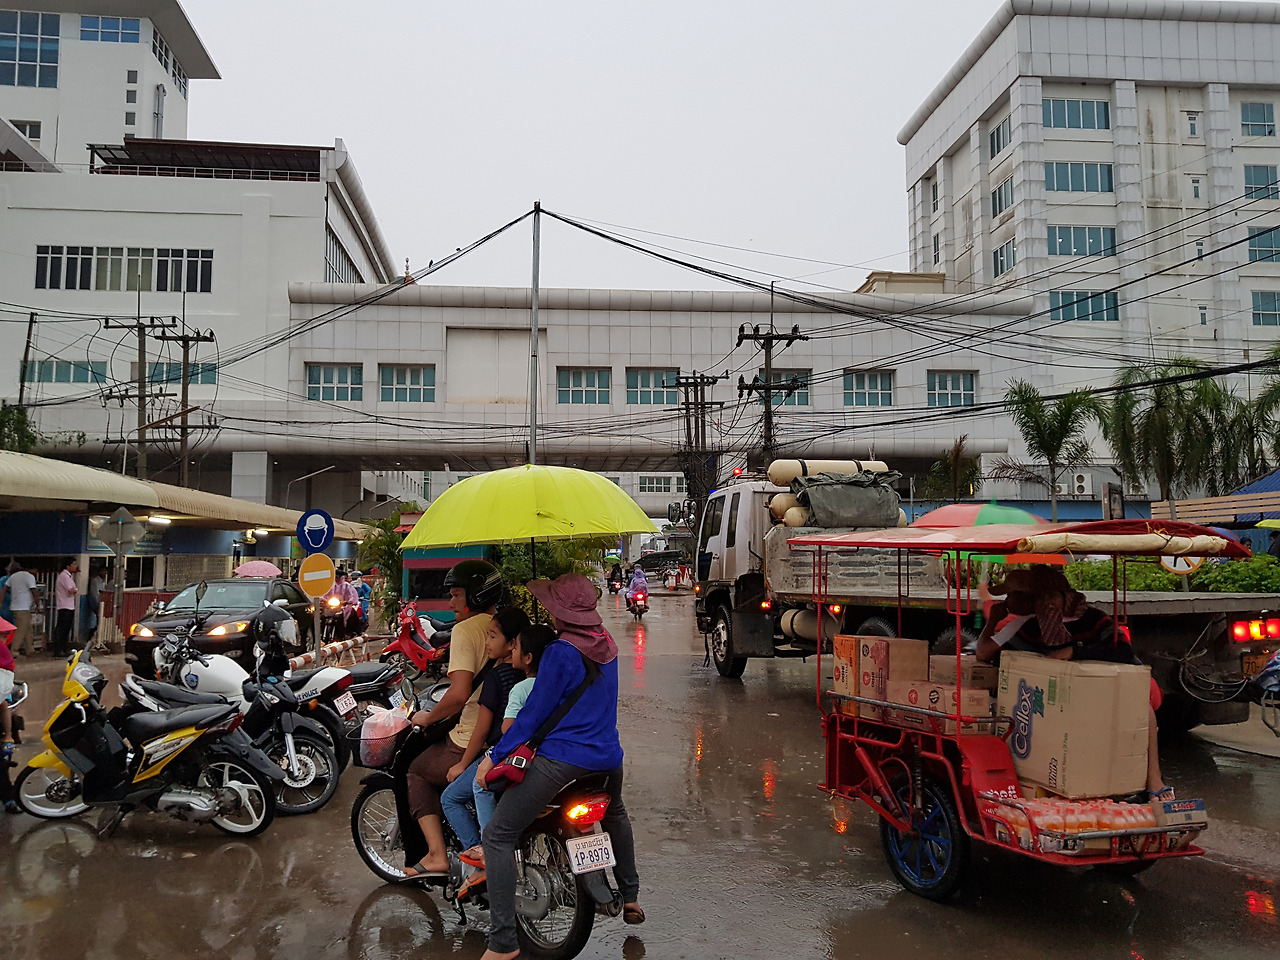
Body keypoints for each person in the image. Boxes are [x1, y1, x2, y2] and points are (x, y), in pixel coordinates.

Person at [474, 574, 642, 960]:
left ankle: (502, 944)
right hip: (608, 759)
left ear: (561, 612)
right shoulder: (608, 643)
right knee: (615, 813)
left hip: (563, 762)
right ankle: (630, 895)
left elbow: (532, 716)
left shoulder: (560, 652)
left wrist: (493, 757)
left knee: (498, 835)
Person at [975, 565, 1173, 800]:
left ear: (1037, 598)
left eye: (1012, 595)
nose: (1007, 602)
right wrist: (993, 621)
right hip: (1065, 703)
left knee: (1143, 707)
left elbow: (1123, 652)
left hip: (1108, 694)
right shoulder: (1026, 627)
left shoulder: (1095, 618)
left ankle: (1154, 778)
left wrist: (1075, 652)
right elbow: (987, 654)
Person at [403, 559, 509, 879]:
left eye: (456, 595)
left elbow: (460, 693)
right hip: (505, 732)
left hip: (473, 735)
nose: (450, 603)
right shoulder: (506, 624)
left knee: (416, 771)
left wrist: (427, 717)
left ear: (476, 596)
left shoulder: (466, 630)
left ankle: (437, 854)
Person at [439, 606, 530, 891]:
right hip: (531, 752)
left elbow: (481, 729)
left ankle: (483, 857)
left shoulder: (496, 677)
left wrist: (461, 764)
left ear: (512, 643)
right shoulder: (531, 675)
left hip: (501, 752)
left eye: (492, 636)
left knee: (451, 798)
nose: (487, 642)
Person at [0, 561, 38, 657]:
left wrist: (0, 602)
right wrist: (38, 604)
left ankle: (30, 649)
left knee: (28, 629)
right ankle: (14, 651)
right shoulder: (29, 576)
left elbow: (4, 589)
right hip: (23, 607)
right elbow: (34, 591)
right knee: (20, 630)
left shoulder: (13, 577)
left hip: (15, 606)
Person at [321, 570, 362, 639]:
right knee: (321, 616)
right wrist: (322, 598)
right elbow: (325, 593)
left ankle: (348, 632)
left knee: (351, 615)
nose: (336, 579)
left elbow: (352, 595)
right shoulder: (330, 586)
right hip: (332, 607)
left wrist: (350, 601)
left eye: (338, 577)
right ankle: (321, 633)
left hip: (344, 606)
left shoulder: (347, 586)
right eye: (335, 577)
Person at [53, 558, 78, 658]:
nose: (76, 566)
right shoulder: (65, 577)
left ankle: (63, 648)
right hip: (66, 606)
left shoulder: (67, 576)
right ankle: (59, 649)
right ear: (68, 566)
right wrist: (76, 590)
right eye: (74, 564)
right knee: (63, 629)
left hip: (67, 605)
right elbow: (71, 590)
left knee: (65, 629)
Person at [82, 565, 105, 648]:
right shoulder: (95, 581)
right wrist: (98, 603)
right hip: (96, 603)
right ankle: (92, 635)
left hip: (101, 603)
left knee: (100, 621)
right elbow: (94, 593)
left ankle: (95, 635)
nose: (104, 573)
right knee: (99, 620)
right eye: (103, 571)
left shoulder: (102, 581)